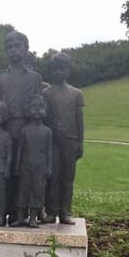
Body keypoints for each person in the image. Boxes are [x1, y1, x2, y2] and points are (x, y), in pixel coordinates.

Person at [42, 52, 84, 225]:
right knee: (52, 177)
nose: (58, 72)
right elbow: (43, 117)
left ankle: (65, 211)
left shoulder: (76, 93)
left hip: (71, 140)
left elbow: (80, 121)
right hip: (52, 140)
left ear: (68, 70)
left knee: (67, 178)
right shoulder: (46, 93)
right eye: (55, 68)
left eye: (62, 68)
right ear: (51, 71)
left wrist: (81, 142)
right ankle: (51, 211)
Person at [11, 94, 53, 228]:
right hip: (25, 165)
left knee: (37, 190)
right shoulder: (24, 130)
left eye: (40, 107)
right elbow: (19, 150)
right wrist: (17, 166)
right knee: (22, 190)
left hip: (40, 166)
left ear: (45, 110)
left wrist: (49, 167)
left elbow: (49, 151)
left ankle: (33, 218)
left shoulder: (47, 131)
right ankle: (19, 217)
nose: (37, 110)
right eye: (34, 106)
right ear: (28, 110)